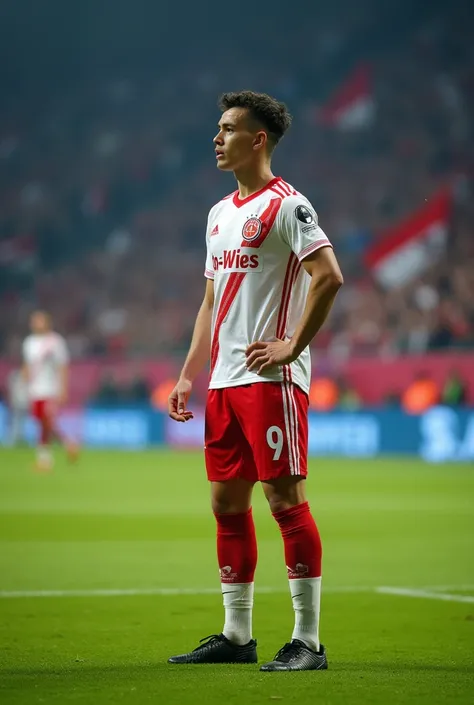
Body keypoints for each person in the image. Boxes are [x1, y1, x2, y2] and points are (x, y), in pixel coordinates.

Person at [167, 91, 343, 671]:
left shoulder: (289, 206)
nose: (217, 138)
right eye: (217, 129)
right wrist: (190, 375)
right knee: (226, 503)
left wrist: (293, 344)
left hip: (271, 379)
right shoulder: (219, 214)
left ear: (257, 139)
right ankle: (237, 636)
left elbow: (328, 276)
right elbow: (210, 300)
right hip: (223, 382)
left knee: (284, 501)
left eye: (227, 129)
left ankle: (308, 642)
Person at [22, 310, 79, 471]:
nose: (35, 324)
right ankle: (68, 443)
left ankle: (44, 460)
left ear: (47, 323)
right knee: (42, 422)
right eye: (33, 321)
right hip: (34, 389)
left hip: (50, 389)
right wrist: (24, 377)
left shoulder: (55, 342)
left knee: (45, 423)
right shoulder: (28, 342)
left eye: (39, 321)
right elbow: (27, 364)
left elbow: (62, 366)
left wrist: (63, 389)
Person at [7, 366, 29, 445]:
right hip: (17, 403)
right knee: (16, 421)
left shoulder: (27, 378)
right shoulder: (15, 377)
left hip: (24, 403)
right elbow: (11, 390)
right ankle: (12, 440)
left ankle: (19, 438)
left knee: (22, 422)